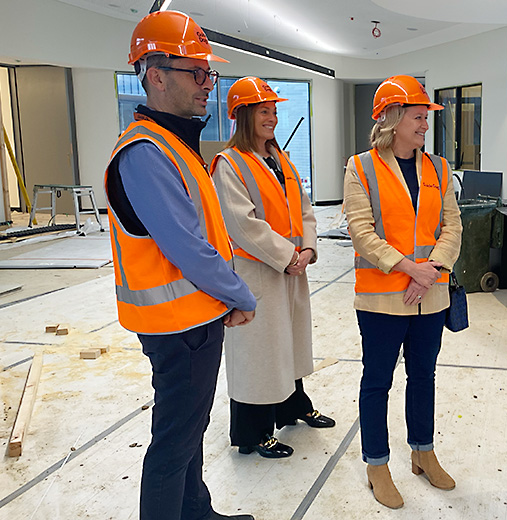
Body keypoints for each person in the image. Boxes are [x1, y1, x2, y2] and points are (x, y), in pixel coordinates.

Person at [104, 10, 257, 520]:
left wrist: (222, 300)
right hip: (177, 327)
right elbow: (188, 248)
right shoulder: (145, 153)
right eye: (196, 72)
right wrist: (240, 294)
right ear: (155, 75)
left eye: (208, 73)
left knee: (189, 433)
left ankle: (198, 513)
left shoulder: (177, 145)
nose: (206, 84)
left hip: (195, 318)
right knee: (173, 444)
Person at [343, 75, 463, 509]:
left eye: (425, 117)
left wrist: (432, 270)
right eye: (418, 116)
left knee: (423, 377)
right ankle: (377, 464)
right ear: (393, 120)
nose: (425, 124)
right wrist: (409, 267)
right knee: (377, 382)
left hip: (429, 295)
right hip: (381, 298)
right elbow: (360, 231)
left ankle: (422, 452)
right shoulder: (361, 167)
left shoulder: (440, 168)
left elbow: (452, 224)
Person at [210, 76, 335, 460]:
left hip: (291, 269)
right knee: (258, 354)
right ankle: (251, 433)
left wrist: (308, 249)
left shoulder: (279, 160)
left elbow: (305, 208)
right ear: (243, 115)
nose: (273, 118)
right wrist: (287, 256)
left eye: (275, 111)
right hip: (258, 273)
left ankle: (292, 407)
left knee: (289, 344)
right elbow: (242, 225)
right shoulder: (228, 165)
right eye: (265, 111)